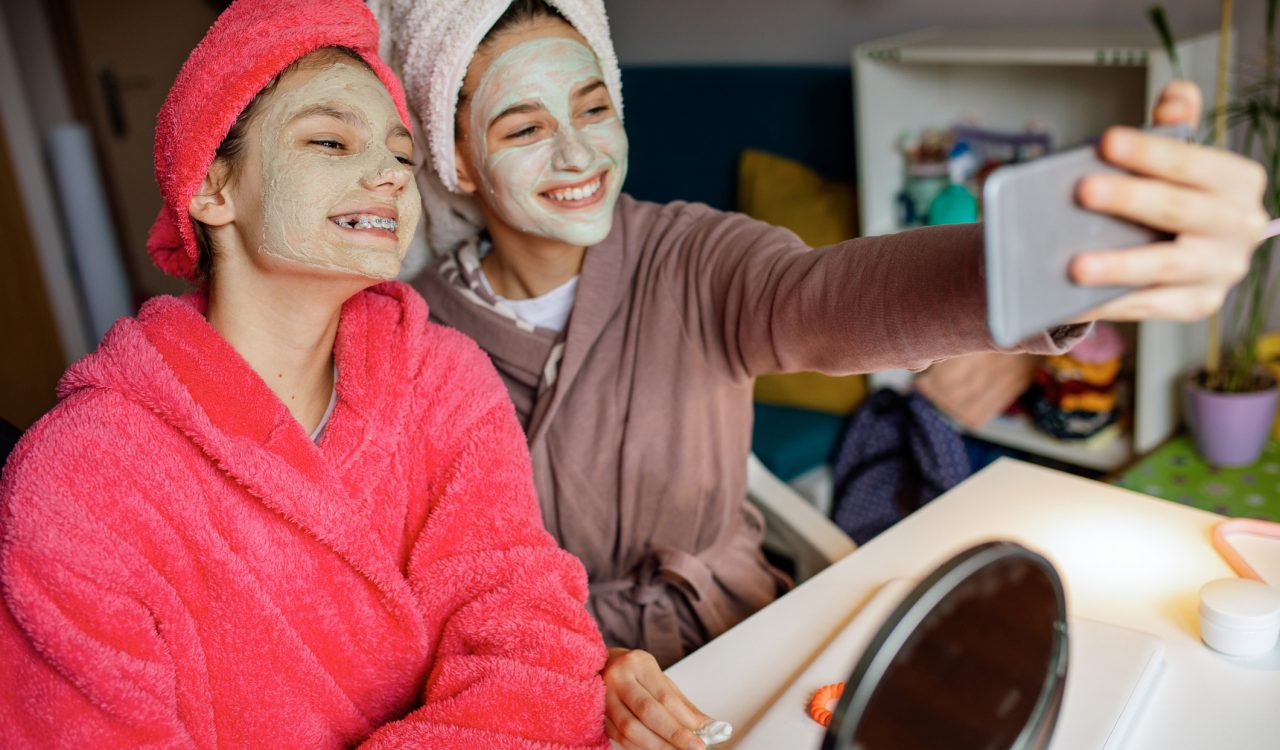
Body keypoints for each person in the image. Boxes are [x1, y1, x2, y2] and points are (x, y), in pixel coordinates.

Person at [373, 1, 1268, 748]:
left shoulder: (691, 257)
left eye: (595, 107)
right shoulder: (408, 337)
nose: (578, 154)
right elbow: (431, 586)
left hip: (750, 637)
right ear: (455, 162)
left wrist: (1054, 258)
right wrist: (573, 669)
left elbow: (827, 295)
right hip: (546, 695)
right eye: (524, 127)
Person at [0, 1, 610, 747]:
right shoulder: (80, 480)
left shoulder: (444, 379)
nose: (388, 175)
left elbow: (535, 649)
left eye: (400, 154)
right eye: (330, 140)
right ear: (210, 189)